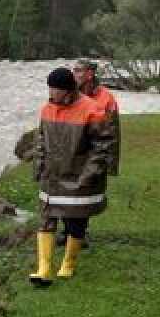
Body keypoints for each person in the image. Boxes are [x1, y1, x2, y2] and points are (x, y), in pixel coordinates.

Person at [29, 67, 116, 288]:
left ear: (68, 91)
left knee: (76, 221)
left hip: (79, 177)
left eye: (54, 90)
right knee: (46, 219)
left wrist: (89, 174)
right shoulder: (47, 108)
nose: (50, 93)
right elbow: (41, 139)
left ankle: (68, 262)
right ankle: (44, 268)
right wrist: (39, 165)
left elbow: (103, 146)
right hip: (52, 176)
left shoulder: (92, 110)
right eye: (49, 88)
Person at [73, 61, 120, 176]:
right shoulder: (69, 94)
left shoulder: (106, 98)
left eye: (78, 70)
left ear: (90, 74)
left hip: (95, 157)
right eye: (74, 70)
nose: (74, 74)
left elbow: (112, 133)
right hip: (71, 156)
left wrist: (110, 166)